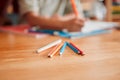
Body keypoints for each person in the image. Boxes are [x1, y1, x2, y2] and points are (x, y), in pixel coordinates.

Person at [18, 0, 85, 32]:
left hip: (56, 34)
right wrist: (62, 23)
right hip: (28, 34)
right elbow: (32, 18)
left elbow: (78, 14)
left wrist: (60, 20)